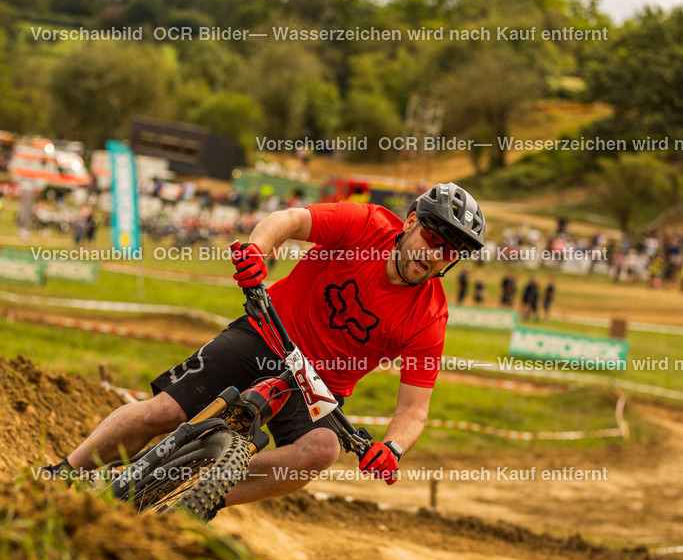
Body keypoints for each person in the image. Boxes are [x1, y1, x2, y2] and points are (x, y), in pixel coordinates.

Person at [43, 183, 485, 502]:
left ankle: (197, 496)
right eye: (433, 239)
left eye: (450, 252)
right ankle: (61, 473)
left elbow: (414, 410)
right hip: (267, 333)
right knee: (163, 412)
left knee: (322, 451)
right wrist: (259, 250)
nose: (434, 255)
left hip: (318, 388)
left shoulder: (430, 316)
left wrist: (392, 448)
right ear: (411, 222)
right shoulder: (366, 224)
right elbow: (289, 220)